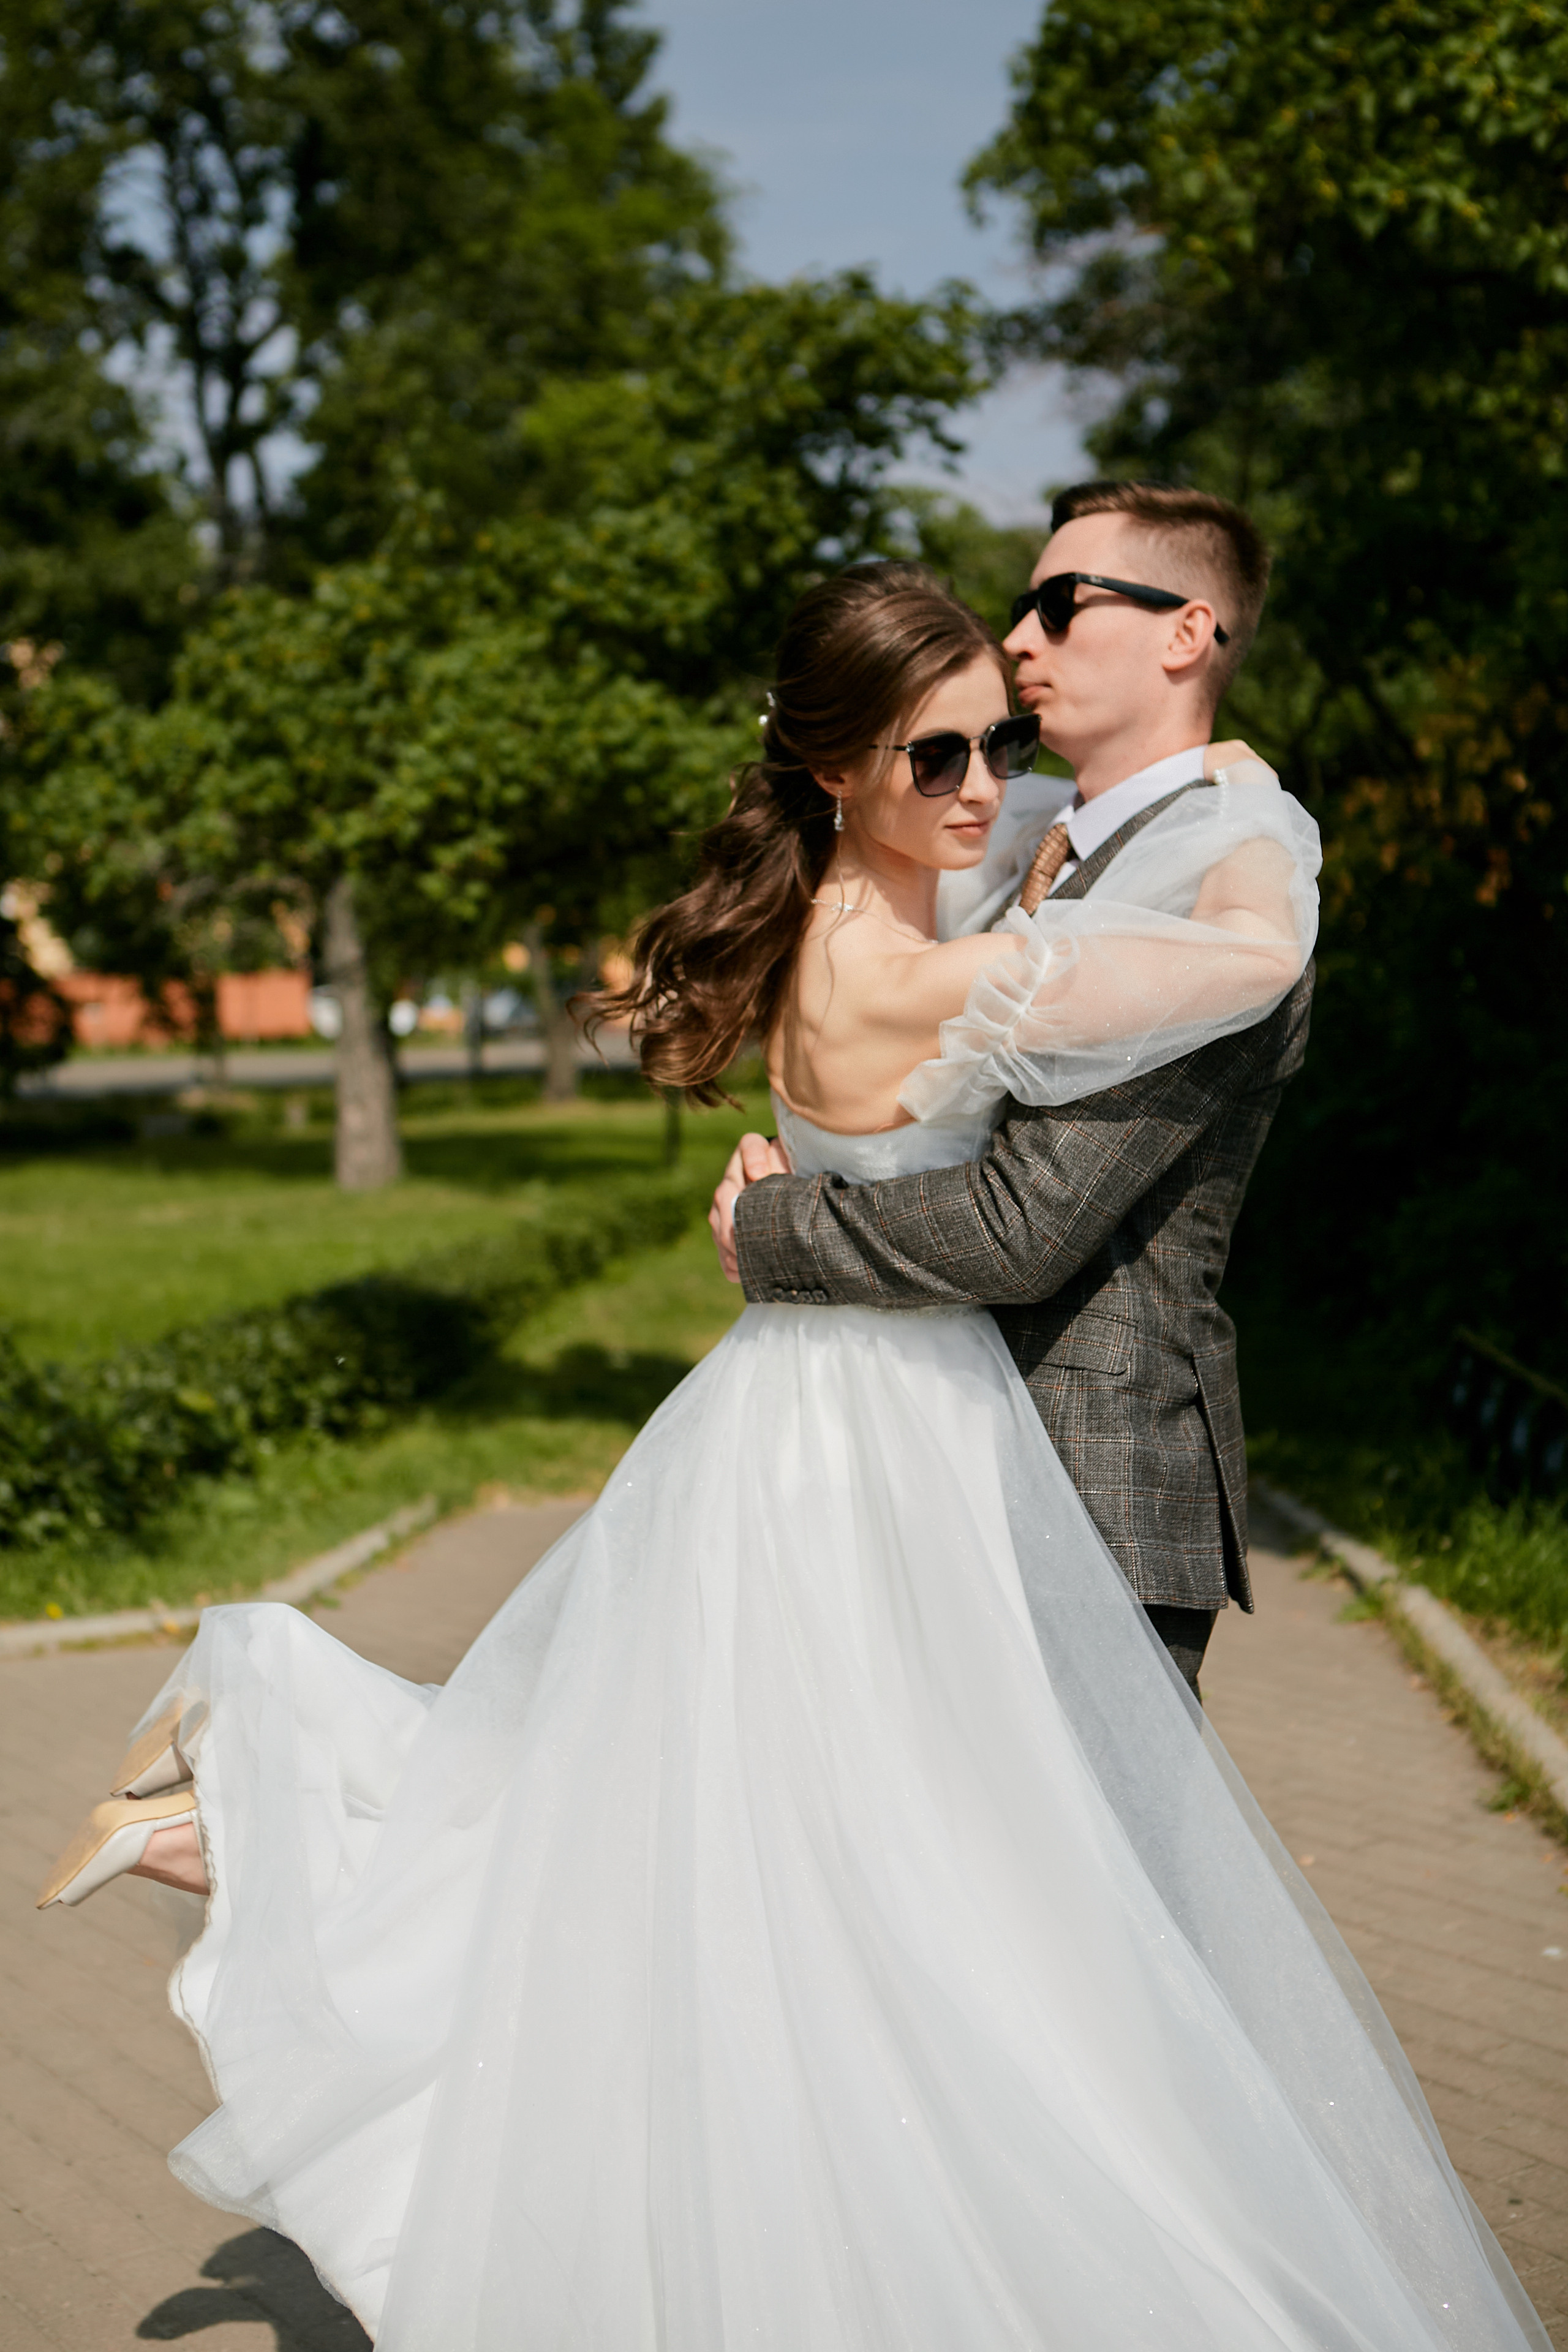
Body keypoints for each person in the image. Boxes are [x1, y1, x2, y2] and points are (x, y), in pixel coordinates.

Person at [35, 563, 1546, 2352]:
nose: (987, 783)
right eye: (937, 755)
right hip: (870, 1440)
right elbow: (1243, 957)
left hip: (811, 1408)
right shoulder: (901, 964)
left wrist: (1126, 786)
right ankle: (258, 1779)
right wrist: (1252, 807)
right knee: (876, 1862)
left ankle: (236, 1805)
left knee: (675, 1839)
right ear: (837, 771)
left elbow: (1046, 839)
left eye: (1000, 735)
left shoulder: (884, 893)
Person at [712, 480, 1311, 1700]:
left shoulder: (1187, 872)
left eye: (1056, 604)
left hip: (1090, 1476)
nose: (1020, 637)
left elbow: (1018, 1225)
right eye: (942, 753)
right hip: (927, 1458)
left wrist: (777, 1222)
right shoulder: (1025, 852)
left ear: (1186, 633)